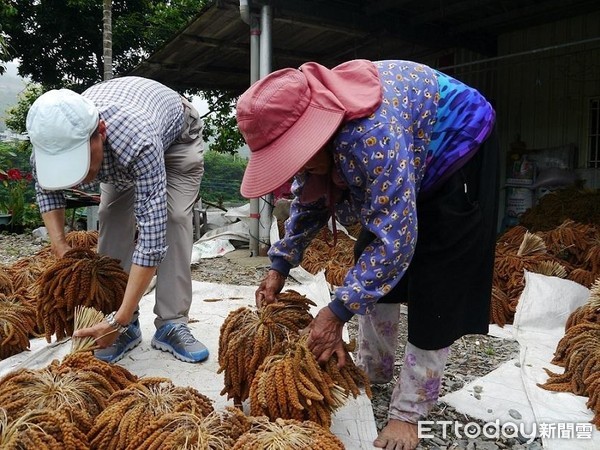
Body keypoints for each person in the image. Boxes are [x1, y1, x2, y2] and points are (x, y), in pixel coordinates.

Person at [236, 59, 499, 449]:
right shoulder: (322, 142)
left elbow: (395, 242)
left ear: (318, 132)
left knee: (438, 283)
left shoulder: (370, 134)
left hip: (454, 147)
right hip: (403, 150)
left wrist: (337, 312)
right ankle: (374, 370)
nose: (300, 165)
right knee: (368, 262)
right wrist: (280, 263)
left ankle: (408, 413)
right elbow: (310, 203)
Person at [26, 76, 209, 364]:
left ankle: (172, 323)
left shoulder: (137, 140)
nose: (77, 175)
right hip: (118, 159)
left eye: (79, 159)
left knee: (173, 219)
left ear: (100, 132)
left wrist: (117, 320)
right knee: (110, 215)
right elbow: (47, 194)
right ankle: (124, 321)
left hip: (176, 140)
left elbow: (152, 235)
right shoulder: (48, 142)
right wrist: (62, 250)